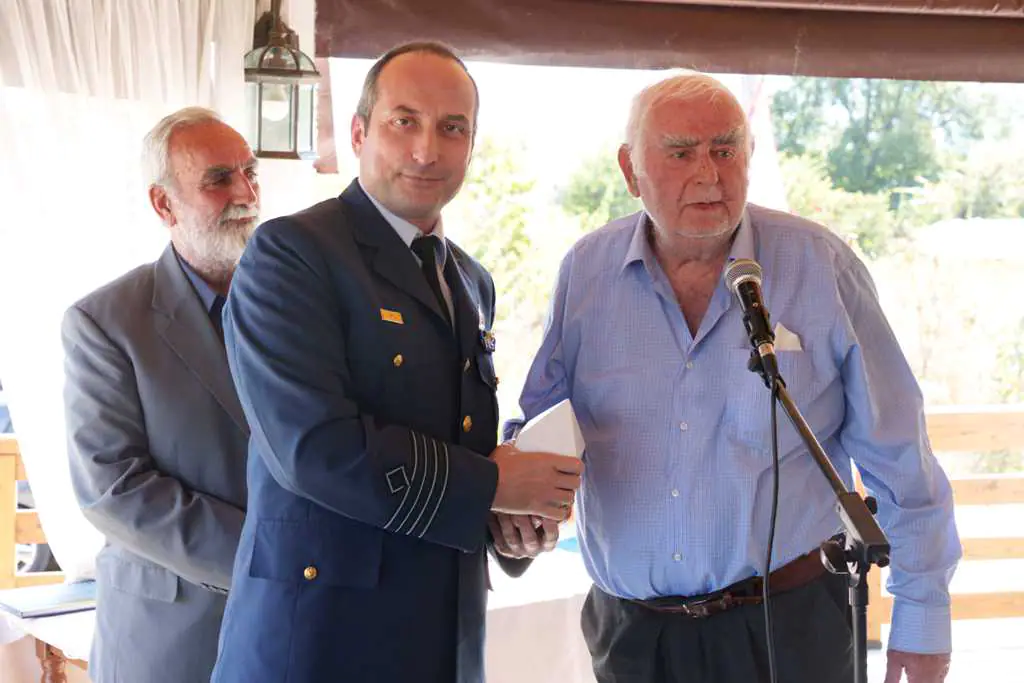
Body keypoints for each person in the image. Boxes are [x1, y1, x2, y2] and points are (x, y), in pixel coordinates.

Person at [512, 72, 960, 683]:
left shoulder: (820, 264)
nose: (709, 175)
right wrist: (516, 507)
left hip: (791, 628)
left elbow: (900, 451)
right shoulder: (586, 273)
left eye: (725, 150)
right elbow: (538, 425)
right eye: (680, 153)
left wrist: (922, 616)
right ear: (629, 169)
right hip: (634, 638)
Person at [211, 41, 582, 683]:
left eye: (452, 128)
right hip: (321, 640)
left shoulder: (470, 280)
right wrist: (492, 486)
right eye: (404, 121)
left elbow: (460, 438)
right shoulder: (292, 254)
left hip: (444, 636)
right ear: (359, 133)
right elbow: (314, 449)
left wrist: (507, 523)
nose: (426, 150)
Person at [62, 106, 258, 683]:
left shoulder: (302, 305)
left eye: (250, 173)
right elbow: (113, 490)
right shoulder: (104, 322)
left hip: (304, 628)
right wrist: (272, 556)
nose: (245, 193)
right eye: (218, 179)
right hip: (171, 641)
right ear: (163, 204)